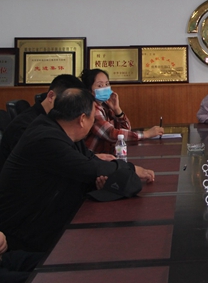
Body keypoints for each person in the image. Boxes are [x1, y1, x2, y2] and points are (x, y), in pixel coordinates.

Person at [0, 88, 155, 252]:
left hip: (43, 221)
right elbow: (89, 168)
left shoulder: (61, 131)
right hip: (22, 236)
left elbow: (90, 160)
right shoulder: (45, 138)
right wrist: (130, 168)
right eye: (92, 118)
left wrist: (103, 176)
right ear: (82, 119)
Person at [0, 74, 87, 172]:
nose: (72, 109)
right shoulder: (26, 126)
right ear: (51, 96)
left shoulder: (58, 121)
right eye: (68, 102)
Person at [80, 69, 163, 154]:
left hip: (108, 155)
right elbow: (111, 134)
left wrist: (117, 109)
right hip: (93, 158)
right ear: (89, 90)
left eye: (107, 84)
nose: (105, 88)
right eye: (100, 85)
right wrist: (147, 134)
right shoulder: (92, 108)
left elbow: (126, 129)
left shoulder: (106, 105)